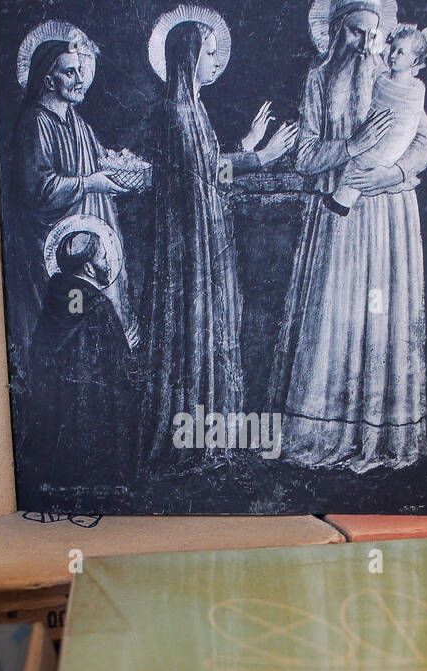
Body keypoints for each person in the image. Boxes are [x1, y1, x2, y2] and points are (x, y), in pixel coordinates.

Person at [270, 0, 427, 473]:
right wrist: (351, 146)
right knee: (335, 317)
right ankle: (325, 433)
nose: (366, 46)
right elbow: (303, 156)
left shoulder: (395, 82)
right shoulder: (319, 81)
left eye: (374, 36)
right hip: (338, 220)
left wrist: (396, 172)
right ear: (336, 31)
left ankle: (377, 439)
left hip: (387, 214)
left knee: (381, 317)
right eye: (356, 34)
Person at [140, 6, 297, 474]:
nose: (215, 62)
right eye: (208, 54)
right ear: (188, 58)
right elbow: (206, 172)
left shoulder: (194, 107)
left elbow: (208, 164)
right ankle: (193, 441)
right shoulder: (175, 112)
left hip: (203, 231)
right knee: (196, 320)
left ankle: (212, 432)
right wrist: (262, 158)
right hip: (190, 242)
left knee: (212, 319)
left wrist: (247, 144)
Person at [8, 25, 135, 389]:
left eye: (82, 71)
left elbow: (101, 159)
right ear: (47, 79)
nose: (81, 80)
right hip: (53, 248)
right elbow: (39, 189)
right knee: (64, 334)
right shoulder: (35, 122)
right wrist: (91, 182)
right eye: (70, 72)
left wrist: (120, 164)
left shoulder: (78, 122)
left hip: (88, 242)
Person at [26, 220, 140, 491]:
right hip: (94, 412)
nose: (107, 263)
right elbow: (120, 368)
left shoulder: (53, 302)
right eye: (102, 257)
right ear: (89, 266)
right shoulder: (99, 305)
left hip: (58, 412)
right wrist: (128, 346)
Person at [328, 23, 427, 215]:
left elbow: (426, 141)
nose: (362, 43)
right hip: (336, 184)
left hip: (383, 193)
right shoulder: (322, 78)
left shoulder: (399, 87)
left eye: (369, 36)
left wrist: (395, 173)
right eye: (356, 32)